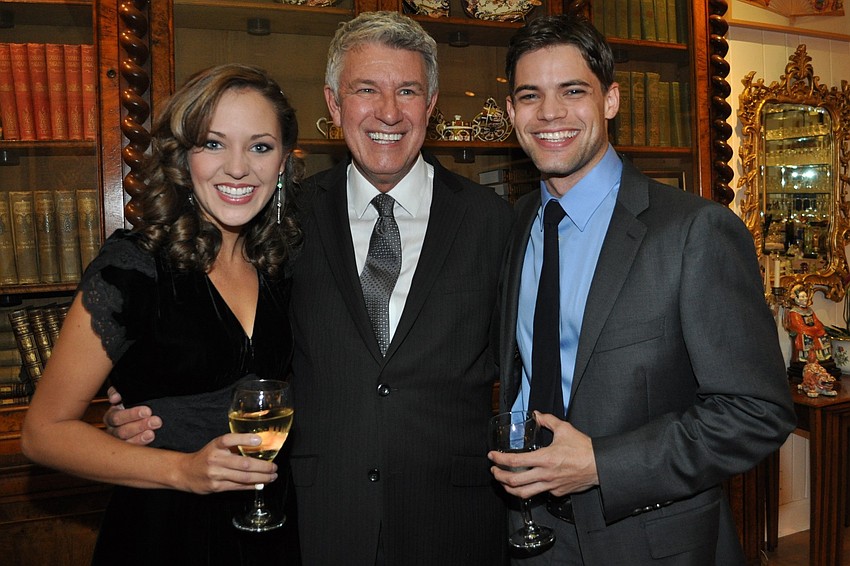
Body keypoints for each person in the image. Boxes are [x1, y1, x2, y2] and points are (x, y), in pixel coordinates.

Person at [103, 11, 514, 565]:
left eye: (407, 90)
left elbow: (527, 365)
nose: (388, 111)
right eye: (365, 89)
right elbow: (228, 338)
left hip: (455, 524)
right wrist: (157, 411)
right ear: (334, 104)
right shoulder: (280, 218)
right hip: (315, 522)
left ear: (431, 104)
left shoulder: (495, 222)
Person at [488, 15, 796, 565]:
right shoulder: (517, 225)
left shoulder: (695, 231)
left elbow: (756, 412)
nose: (550, 113)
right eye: (530, 95)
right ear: (512, 112)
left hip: (652, 545)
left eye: (573, 91)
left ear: (610, 100)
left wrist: (601, 464)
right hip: (532, 535)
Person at [21, 63, 303, 565]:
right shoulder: (135, 267)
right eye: (213, 144)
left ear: (282, 162)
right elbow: (43, 433)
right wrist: (181, 470)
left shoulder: (279, 264)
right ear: (182, 156)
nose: (238, 168)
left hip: (271, 527)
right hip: (165, 532)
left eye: (260, 147)